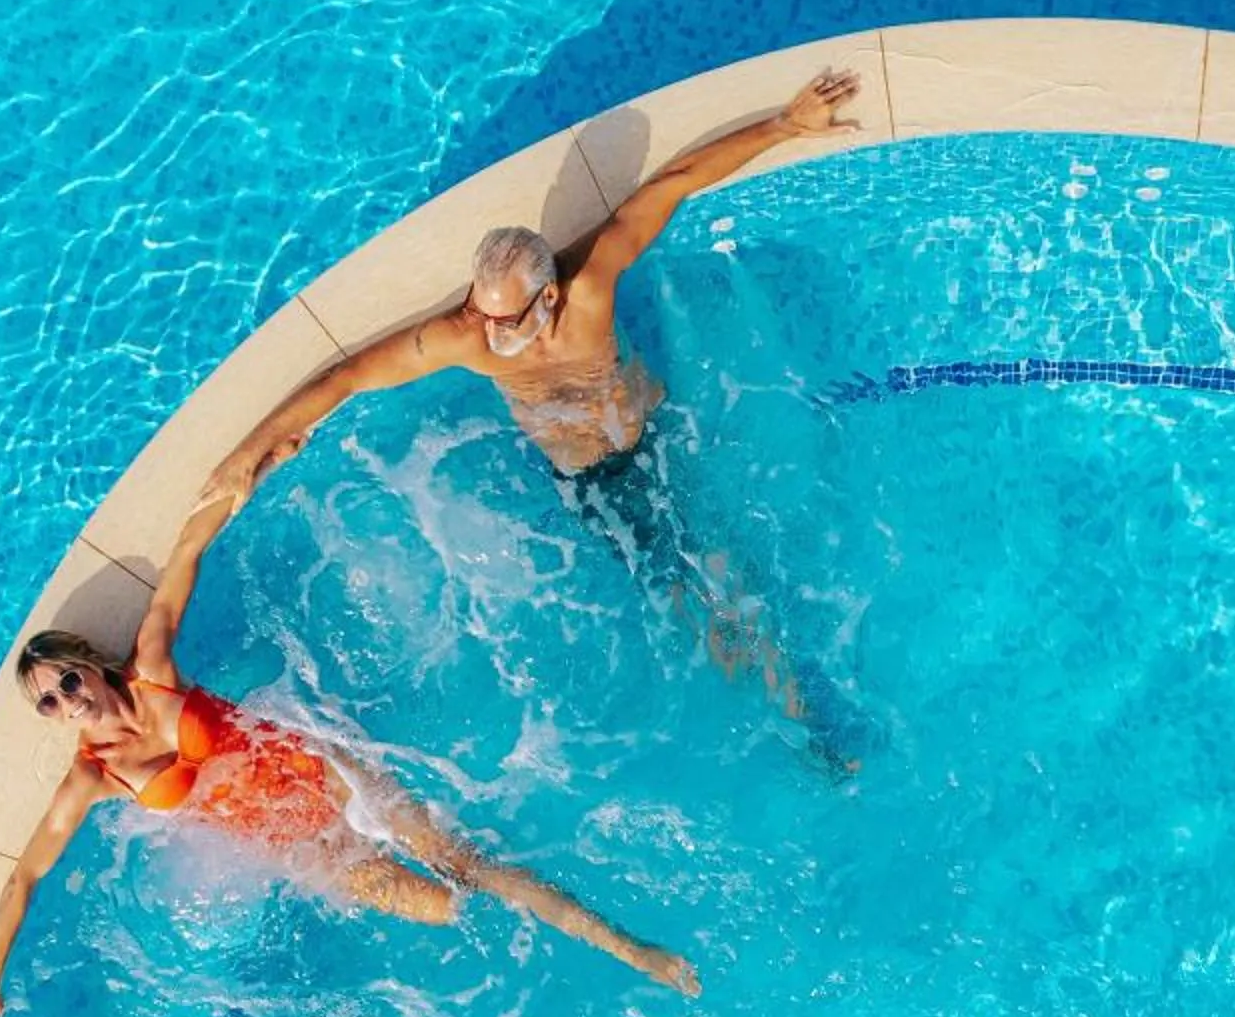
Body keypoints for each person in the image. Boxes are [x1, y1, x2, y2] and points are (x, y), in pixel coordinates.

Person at [197, 67, 866, 752]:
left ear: (547, 296)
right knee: (683, 604)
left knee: (729, 574)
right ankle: (776, 721)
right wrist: (250, 451)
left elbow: (672, 184)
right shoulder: (471, 340)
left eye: (504, 317)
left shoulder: (590, 292)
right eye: (477, 312)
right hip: (590, 487)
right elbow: (349, 376)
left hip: (655, 443)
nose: (488, 332)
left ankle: (805, 713)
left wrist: (785, 124)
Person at [0, 495, 699, 1017]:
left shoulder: (153, 672)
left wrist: (246, 472)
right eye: (48, 703)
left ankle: (628, 948)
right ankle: (569, 1004)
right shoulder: (94, 777)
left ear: (88, 662)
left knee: (467, 867)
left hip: (327, 776)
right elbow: (24, 876)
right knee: (445, 909)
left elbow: (184, 558)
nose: (65, 701)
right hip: (300, 846)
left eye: (65, 680)